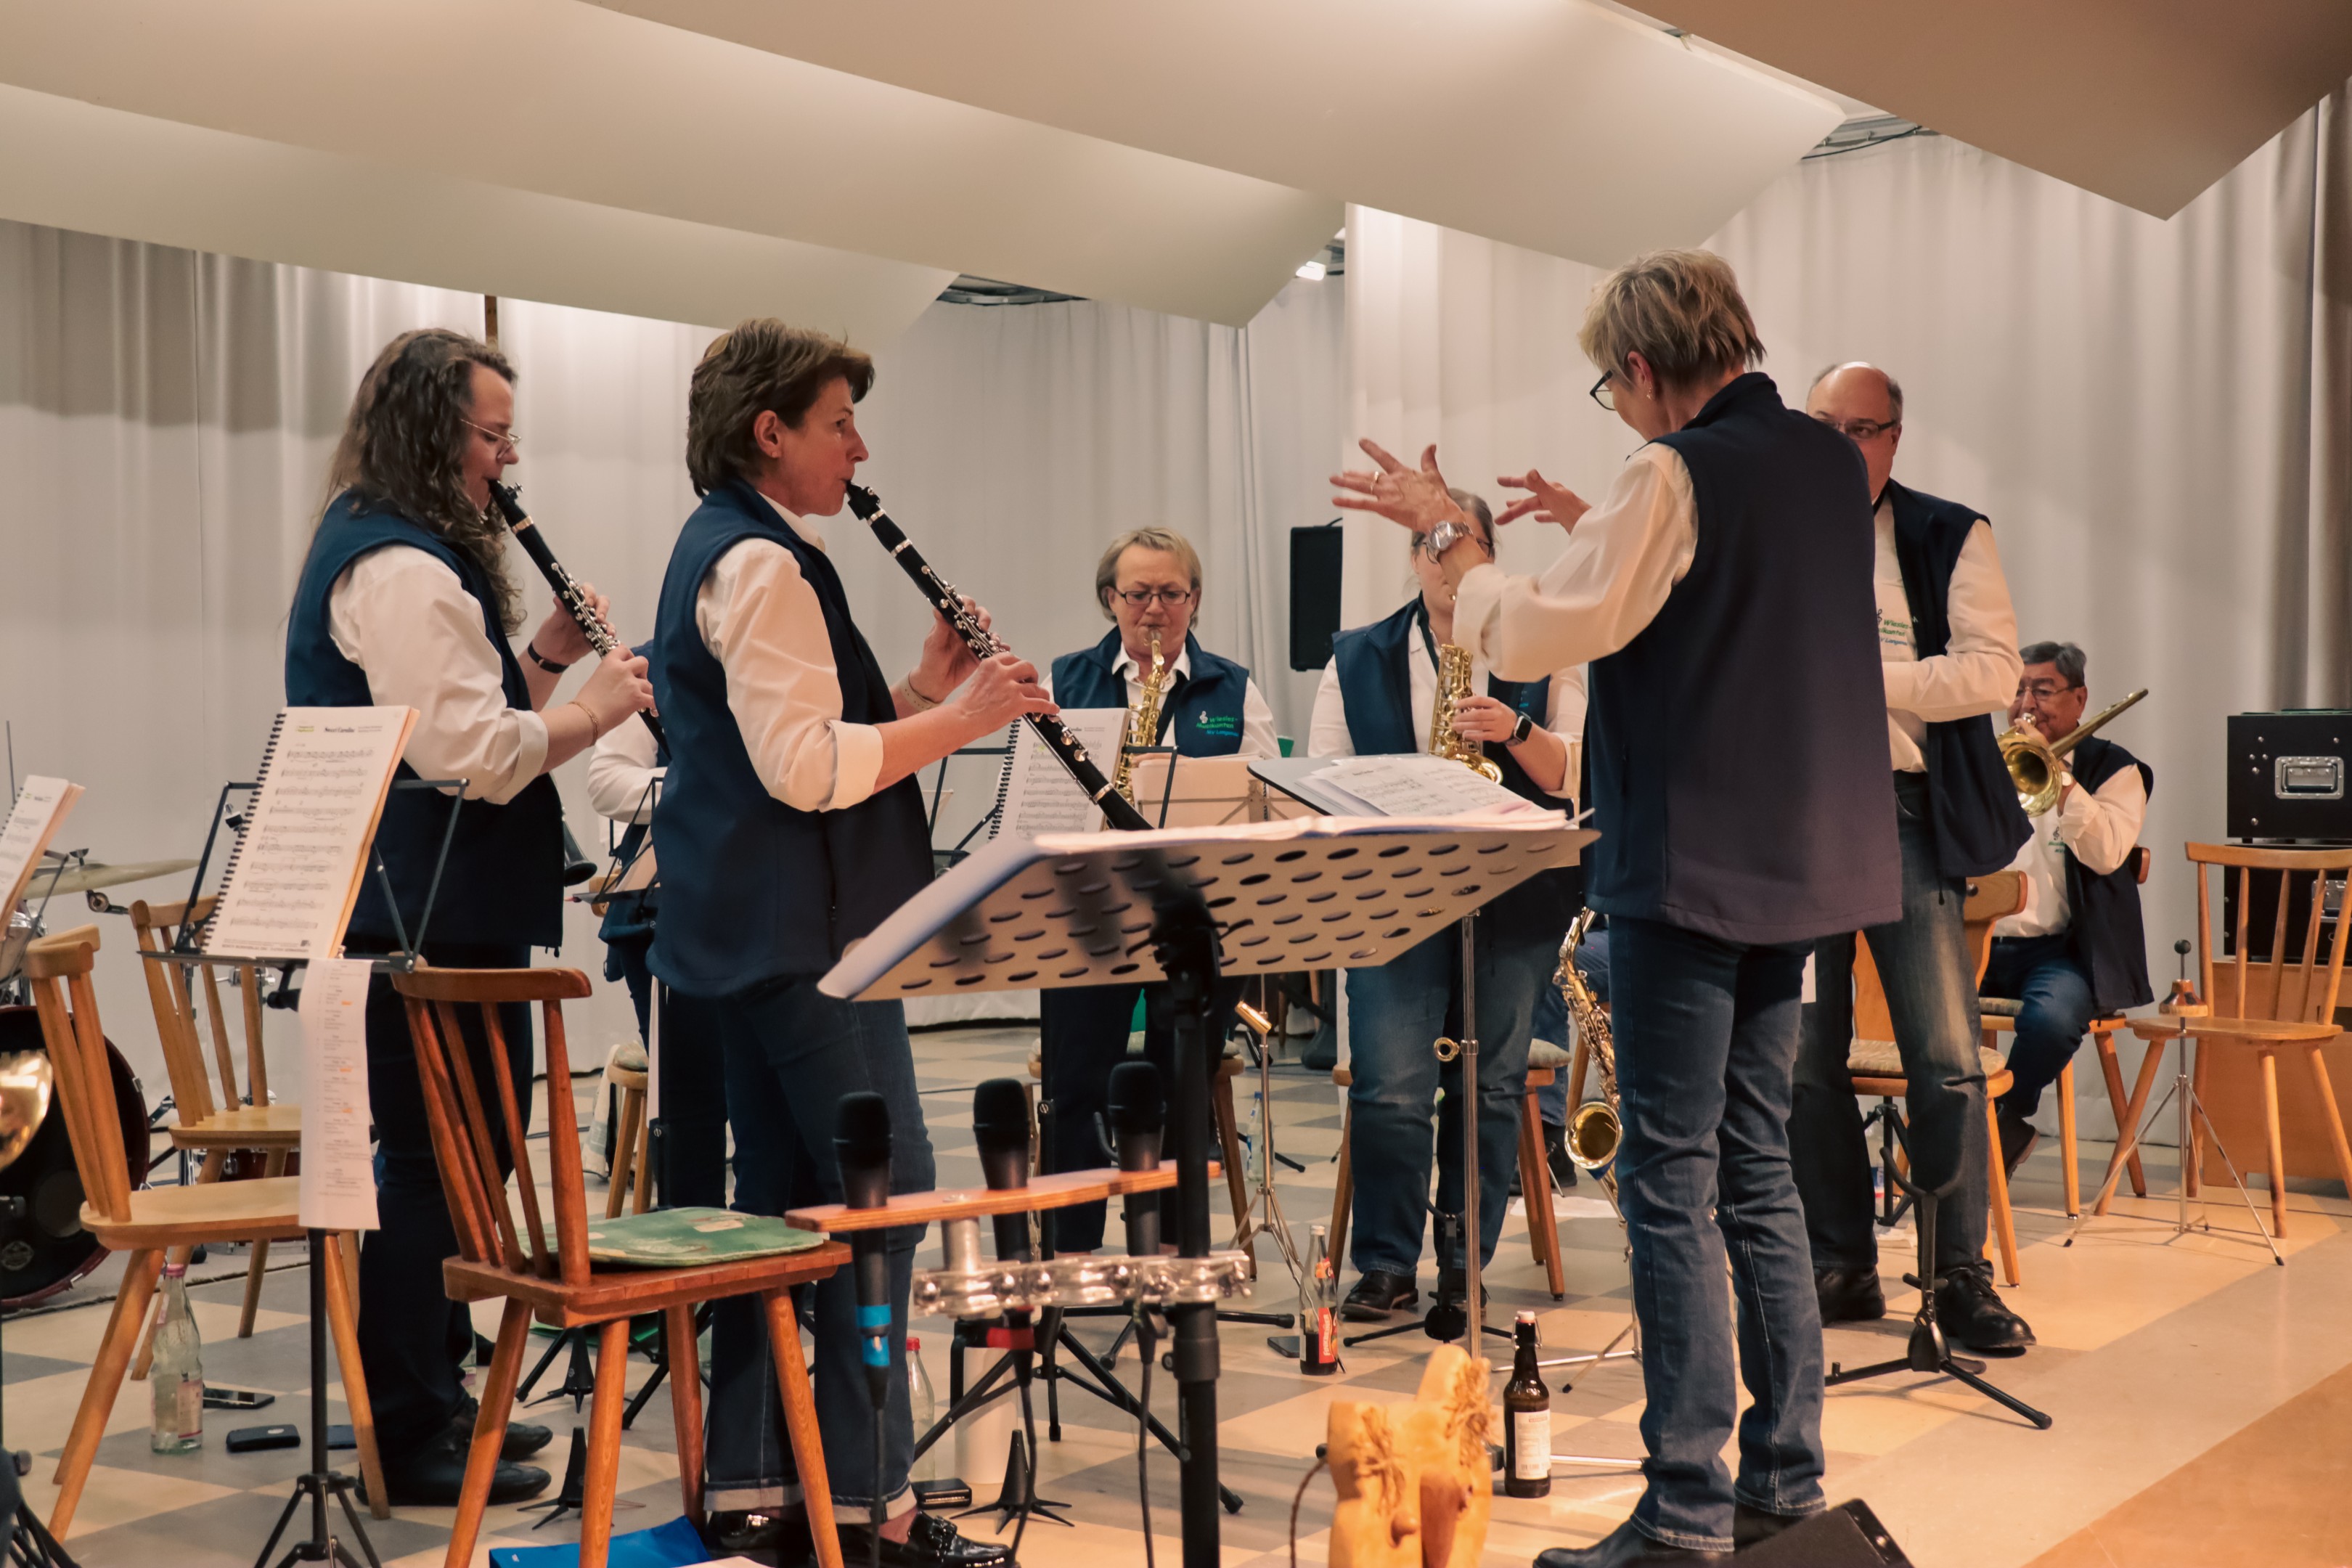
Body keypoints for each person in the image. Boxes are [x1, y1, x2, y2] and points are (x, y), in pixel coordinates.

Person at [1334, 249, 1900, 1565]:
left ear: (1642, 366)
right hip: (1801, 864)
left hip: (1689, 869)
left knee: (1668, 1179)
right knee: (1758, 1170)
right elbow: (1726, 606)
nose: (1623, 409)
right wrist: (1601, 526)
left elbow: (1532, 635)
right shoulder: (1828, 463)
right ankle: (1784, 1481)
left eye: (1613, 386)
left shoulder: (1673, 471)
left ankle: (1684, 1511)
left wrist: (1452, 537)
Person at [648, 319, 1043, 1567]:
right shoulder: (763, 562)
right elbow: (809, 770)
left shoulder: (733, 546)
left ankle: (764, 1493)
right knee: (884, 1201)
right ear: (770, 432)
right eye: (839, 424)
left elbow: (793, 748)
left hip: (753, 936)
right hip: (808, 942)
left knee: (780, 1213)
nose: (859, 450)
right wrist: (968, 718)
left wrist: (924, 695)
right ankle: (874, 1509)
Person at [283, 328, 655, 1505]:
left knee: (469, 1158)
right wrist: (598, 711)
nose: (509, 460)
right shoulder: (400, 567)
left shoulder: (404, 552)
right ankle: (408, 1430)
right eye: (493, 437)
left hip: (439, 904)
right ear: (431, 436)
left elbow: (473, 717)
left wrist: (544, 659)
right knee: (429, 1170)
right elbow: (472, 759)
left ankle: (439, 1390)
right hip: (416, 914)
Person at [1787, 363, 2035, 1355]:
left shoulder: (1948, 533)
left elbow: (1993, 672)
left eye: (1862, 430)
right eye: (1823, 426)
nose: (1841, 446)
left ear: (1895, 437)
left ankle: (1955, 1276)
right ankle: (1840, 1262)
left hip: (1903, 813)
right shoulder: (1771, 530)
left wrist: (1861, 677)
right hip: (1793, 817)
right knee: (1804, 1056)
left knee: (1945, 1058)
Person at [1306, 491, 1583, 1321]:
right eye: (1432, 543)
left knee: (1490, 1086)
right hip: (1390, 896)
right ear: (1414, 559)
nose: (1447, 559)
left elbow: (1575, 772)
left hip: (1515, 892)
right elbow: (1323, 778)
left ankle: (1465, 1262)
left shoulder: (1546, 646)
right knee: (1391, 1087)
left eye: (1463, 542)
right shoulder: (1357, 655)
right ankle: (1388, 1263)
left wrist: (1516, 732)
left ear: (1487, 554)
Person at [1037, 527, 1278, 1253]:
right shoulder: (1064, 681)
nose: (1154, 609)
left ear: (1194, 600)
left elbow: (1266, 802)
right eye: (1138, 593)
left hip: (1192, 916)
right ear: (1109, 599)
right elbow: (1039, 800)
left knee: (1182, 1085)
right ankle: (1072, 1253)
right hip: (1091, 914)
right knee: (1076, 1086)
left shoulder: (1233, 688)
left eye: (1171, 593)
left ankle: (1175, 1252)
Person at [1983, 642, 2153, 1174]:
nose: (2026, 704)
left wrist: (2058, 778)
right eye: (2017, 690)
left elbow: (2106, 855)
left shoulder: (2117, 770)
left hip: (2061, 952)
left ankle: (2004, 1120)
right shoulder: (1984, 761)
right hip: (1976, 942)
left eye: (2042, 690)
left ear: (2080, 699)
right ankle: (1961, 1129)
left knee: (2052, 1021)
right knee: (1924, 1017)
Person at [583, 678, 730, 1209]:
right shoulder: (652, 668)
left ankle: (775, 1251)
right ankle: (691, 1243)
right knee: (693, 1103)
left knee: (771, 1103)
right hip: (664, 917)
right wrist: (710, 779)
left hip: (760, 907)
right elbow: (607, 783)